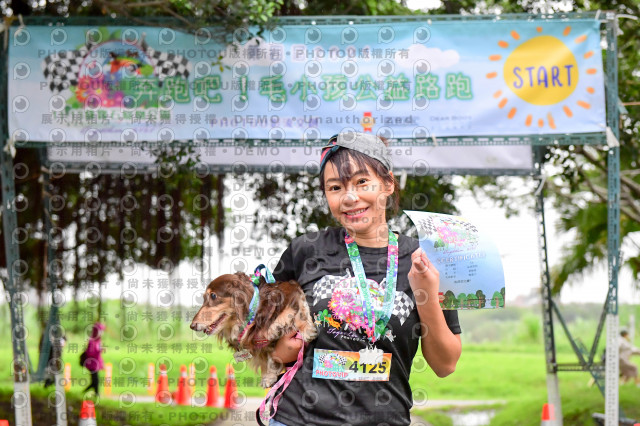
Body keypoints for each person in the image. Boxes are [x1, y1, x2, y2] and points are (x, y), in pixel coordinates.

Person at [268, 131, 462, 426]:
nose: (349, 198)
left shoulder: (425, 261)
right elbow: (260, 334)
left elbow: (445, 364)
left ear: (388, 183)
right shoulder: (305, 251)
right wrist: (280, 350)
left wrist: (425, 294)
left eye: (361, 182)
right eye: (335, 187)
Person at [82, 322, 105, 396]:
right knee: (96, 380)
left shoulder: (99, 341)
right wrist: (98, 351)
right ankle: (96, 394)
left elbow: (99, 355)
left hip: (96, 364)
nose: (102, 333)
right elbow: (89, 353)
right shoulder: (91, 341)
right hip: (92, 364)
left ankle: (89, 392)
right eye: (100, 331)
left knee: (94, 380)